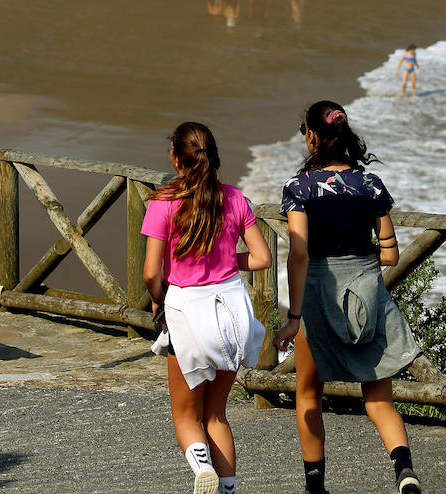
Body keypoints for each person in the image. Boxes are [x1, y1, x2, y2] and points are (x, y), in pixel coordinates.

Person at [274, 101, 422, 494]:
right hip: (367, 291)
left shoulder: (298, 188)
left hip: (318, 292)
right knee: (379, 400)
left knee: (308, 392)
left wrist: (294, 314)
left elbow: (299, 253)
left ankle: (316, 488)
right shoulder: (370, 185)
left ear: (311, 136)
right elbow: (390, 254)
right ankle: (404, 471)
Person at [142, 121, 271, 494]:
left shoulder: (164, 201)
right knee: (216, 415)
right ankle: (228, 490)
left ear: (175, 158)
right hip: (233, 313)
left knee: (186, 416)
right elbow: (262, 258)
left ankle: (201, 471)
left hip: (188, 314)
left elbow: (152, 272)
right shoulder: (234, 198)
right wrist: (229, 261)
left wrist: (158, 297)